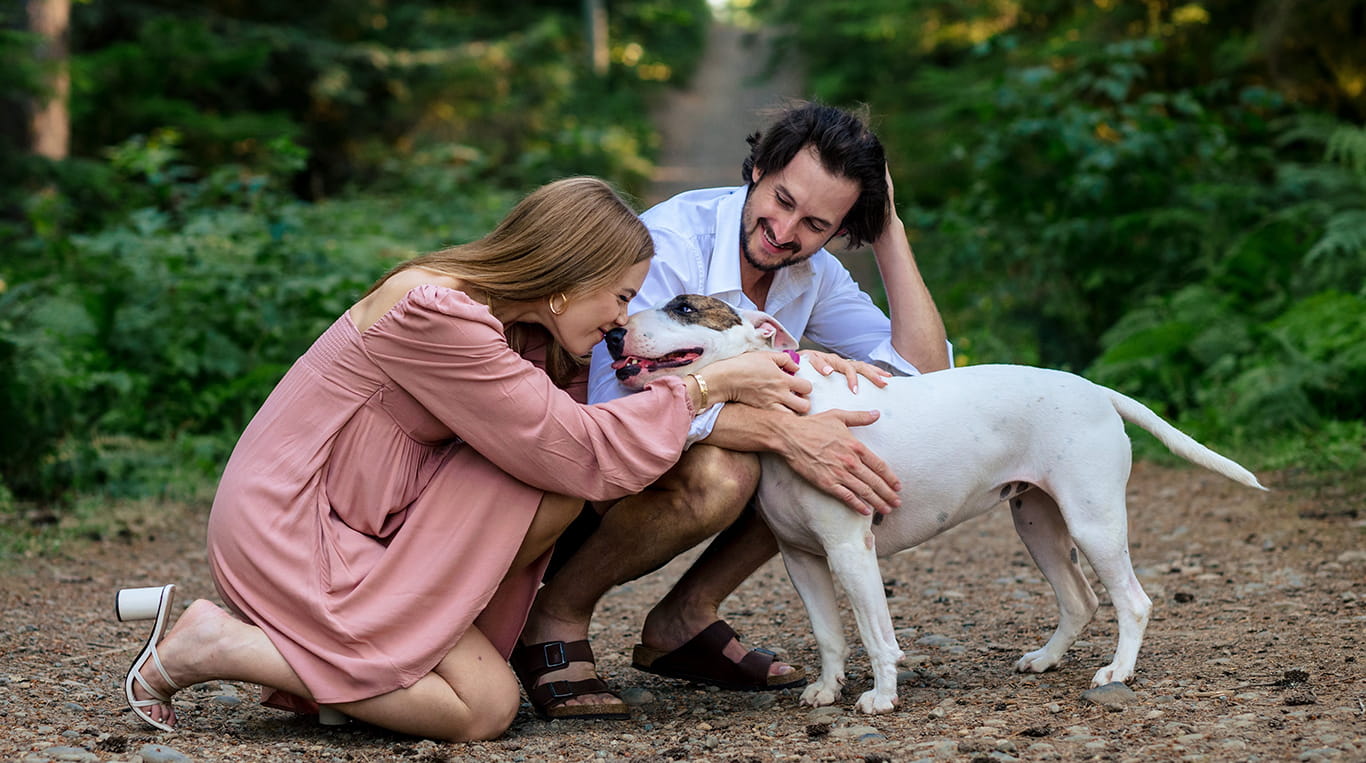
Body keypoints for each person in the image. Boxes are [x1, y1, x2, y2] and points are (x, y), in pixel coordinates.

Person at [114, 176, 813, 741]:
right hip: (294, 525)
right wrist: (705, 386)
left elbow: (583, 437)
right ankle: (213, 646)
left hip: (375, 522)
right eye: (623, 295)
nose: (623, 320)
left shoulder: (529, 330)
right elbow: (577, 449)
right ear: (570, 276)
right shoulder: (436, 311)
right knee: (485, 708)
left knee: (486, 690)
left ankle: (359, 664)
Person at [515, 103, 952, 717]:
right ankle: (553, 616)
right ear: (756, 168)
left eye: (817, 223)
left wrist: (889, 233)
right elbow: (614, 406)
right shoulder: (668, 244)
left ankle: (684, 618)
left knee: (814, 440)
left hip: (653, 447)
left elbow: (927, 380)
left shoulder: (814, 273)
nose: (786, 230)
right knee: (746, 465)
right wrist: (786, 432)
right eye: (782, 199)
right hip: (574, 467)